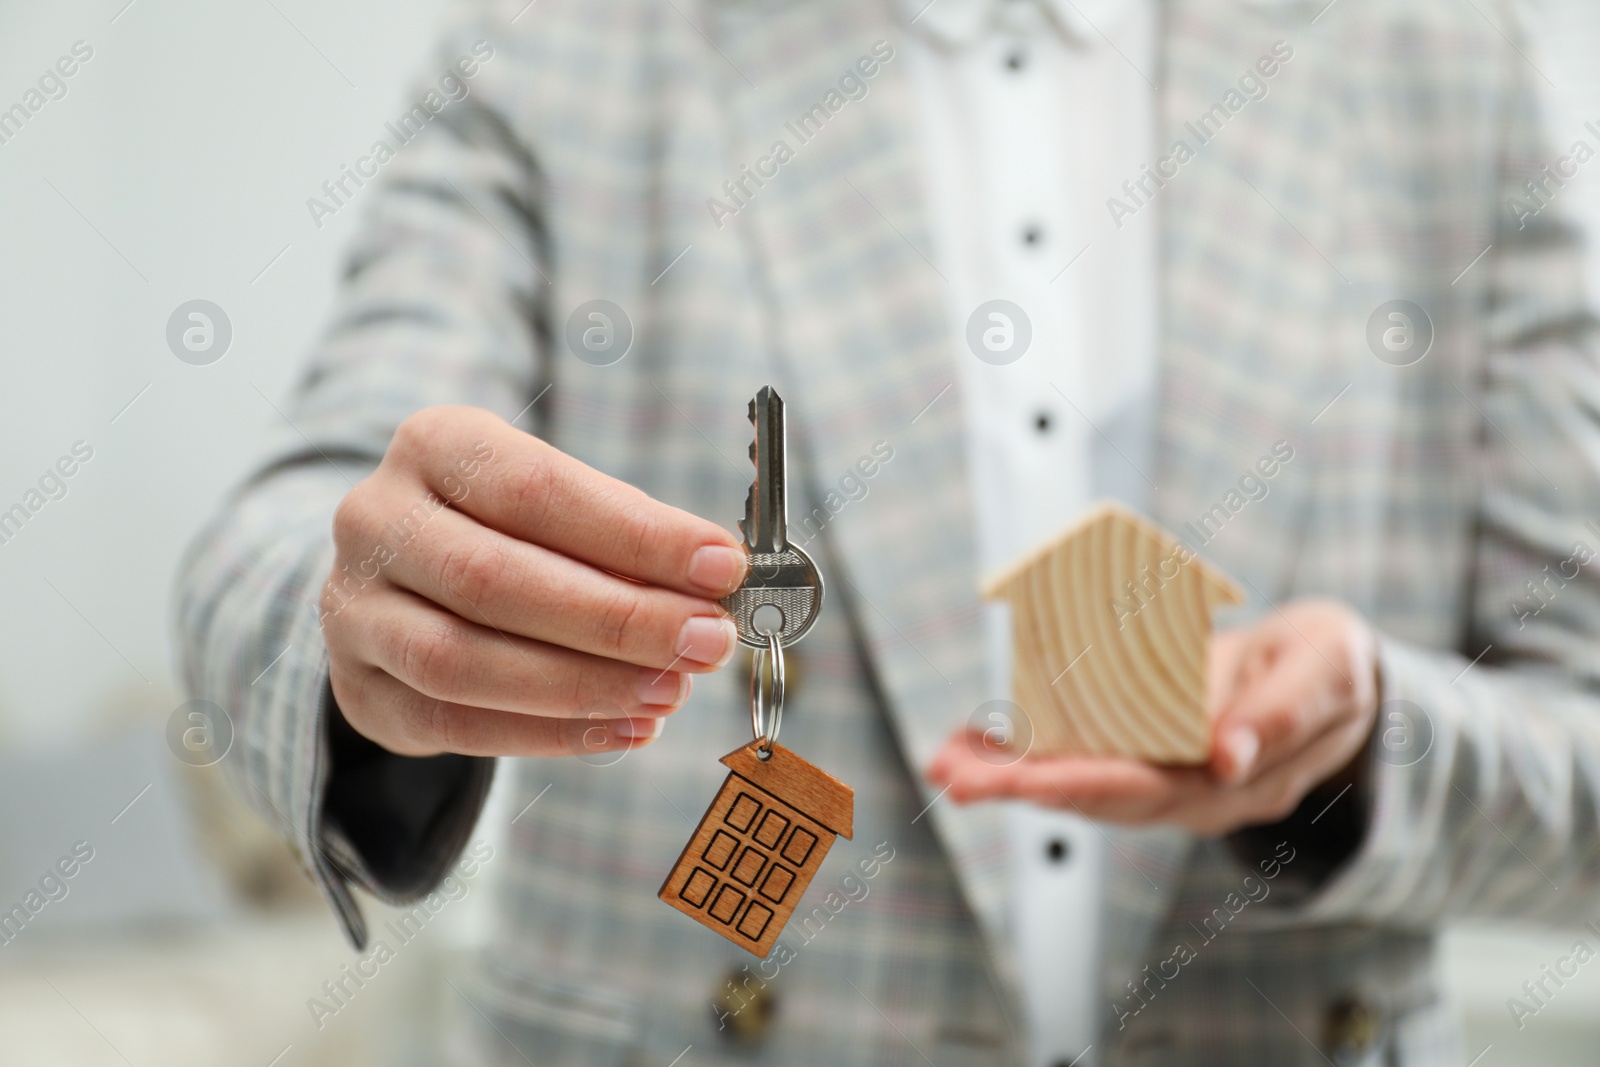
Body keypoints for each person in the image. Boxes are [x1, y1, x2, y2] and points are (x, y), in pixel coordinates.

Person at [176, 0, 1600, 1063]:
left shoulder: (1443, 59)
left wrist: (1366, 752)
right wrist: (365, 623)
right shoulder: (567, 43)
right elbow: (277, 542)